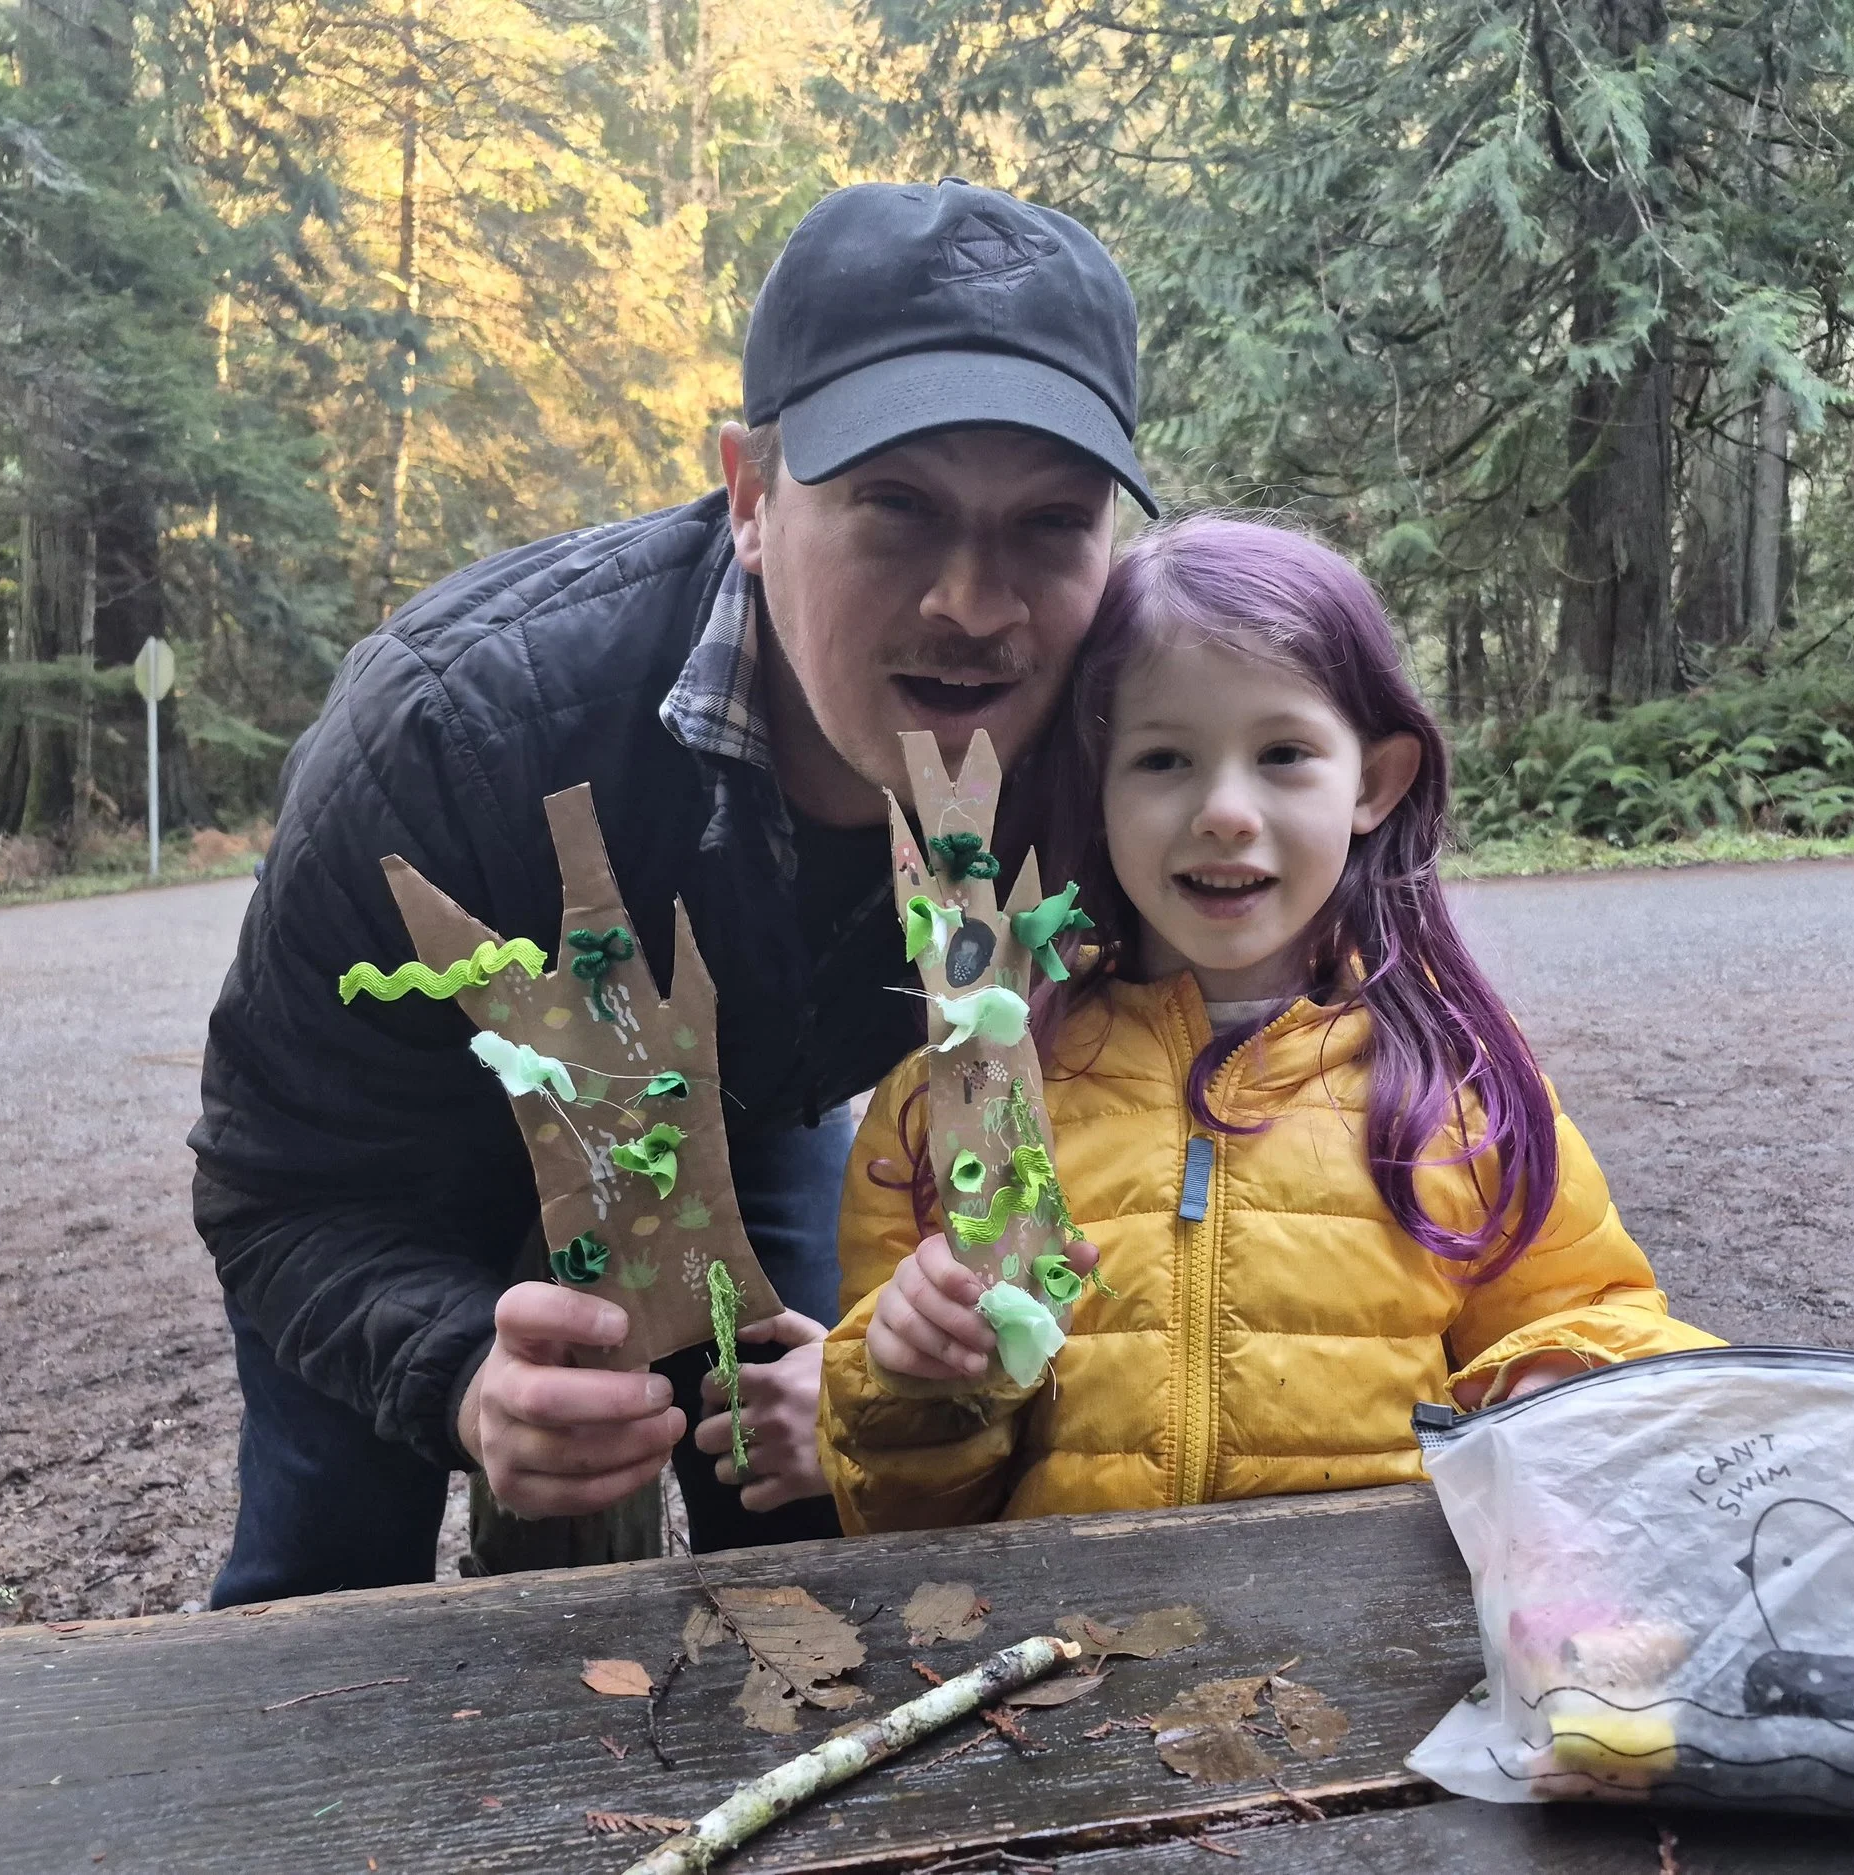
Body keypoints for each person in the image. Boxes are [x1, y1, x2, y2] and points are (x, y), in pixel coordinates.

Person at [188, 178, 1158, 1602]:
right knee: (328, 1568)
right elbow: (281, 1186)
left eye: (1050, 523)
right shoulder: (455, 737)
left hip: (747, 1095)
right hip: (410, 1144)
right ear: (753, 497)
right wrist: (463, 1375)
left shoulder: (1121, 753)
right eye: (897, 506)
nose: (976, 598)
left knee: (812, 1492)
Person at [817, 516, 1723, 1529]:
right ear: (1097, 784)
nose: (1225, 811)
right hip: (1070, 1666)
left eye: (1283, 752)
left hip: (1375, 1655)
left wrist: (1561, 1379)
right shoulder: (961, 1106)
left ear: (1373, 783)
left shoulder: (1453, 1088)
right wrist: (913, 1387)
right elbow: (894, 1517)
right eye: (1163, 760)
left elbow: (1591, 1313)